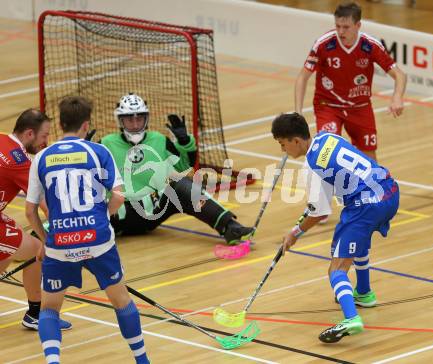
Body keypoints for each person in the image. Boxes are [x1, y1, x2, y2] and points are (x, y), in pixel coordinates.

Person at [25, 96, 150, 364]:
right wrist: (102, 217)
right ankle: (142, 360)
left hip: (60, 242)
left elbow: (30, 211)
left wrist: (47, 241)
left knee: (49, 310)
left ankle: (53, 361)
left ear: (60, 124)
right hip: (98, 240)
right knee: (121, 301)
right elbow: (118, 197)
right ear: (86, 125)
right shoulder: (98, 151)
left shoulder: (42, 157)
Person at [271, 113, 399, 343]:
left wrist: (295, 233)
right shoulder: (327, 137)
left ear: (296, 141)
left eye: (283, 144)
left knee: (336, 269)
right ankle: (364, 292)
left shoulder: (311, 167)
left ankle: (351, 318)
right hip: (389, 190)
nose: (283, 150)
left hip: (365, 204)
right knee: (357, 240)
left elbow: (320, 213)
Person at [100, 93, 253, 245]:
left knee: (181, 184)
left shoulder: (159, 140)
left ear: (146, 119)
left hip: (152, 210)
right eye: (129, 120)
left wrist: (185, 142)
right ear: (120, 121)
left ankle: (230, 227)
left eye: (139, 119)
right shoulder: (106, 143)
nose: (134, 125)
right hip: (119, 215)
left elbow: (185, 167)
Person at [295, 1, 407, 162]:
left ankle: (369, 187)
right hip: (328, 106)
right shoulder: (323, 44)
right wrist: (298, 113)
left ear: (358, 25)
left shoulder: (371, 45)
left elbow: (400, 75)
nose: (340, 31)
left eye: (346, 27)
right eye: (337, 26)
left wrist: (397, 96)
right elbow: (302, 77)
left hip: (360, 107)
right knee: (328, 155)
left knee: (369, 159)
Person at [0, 108, 72, 331]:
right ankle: (35, 313)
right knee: (36, 249)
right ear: (29, 134)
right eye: (44, 136)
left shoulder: (1, 138)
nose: (46, 141)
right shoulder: (19, 161)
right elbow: (44, 205)